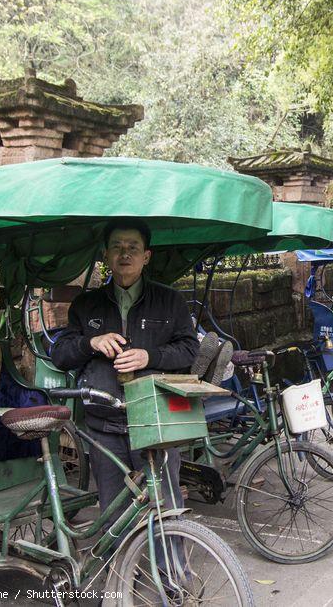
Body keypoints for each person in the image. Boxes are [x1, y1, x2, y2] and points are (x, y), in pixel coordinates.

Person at [51, 218, 199, 530]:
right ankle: (119, 571)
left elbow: (189, 351)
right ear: (105, 254)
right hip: (104, 424)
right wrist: (91, 342)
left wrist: (150, 356)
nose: (125, 254)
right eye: (117, 247)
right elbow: (61, 355)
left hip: (155, 422)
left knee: (166, 506)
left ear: (147, 256)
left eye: (133, 247)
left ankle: (170, 574)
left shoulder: (170, 301)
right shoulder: (86, 304)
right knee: (113, 512)